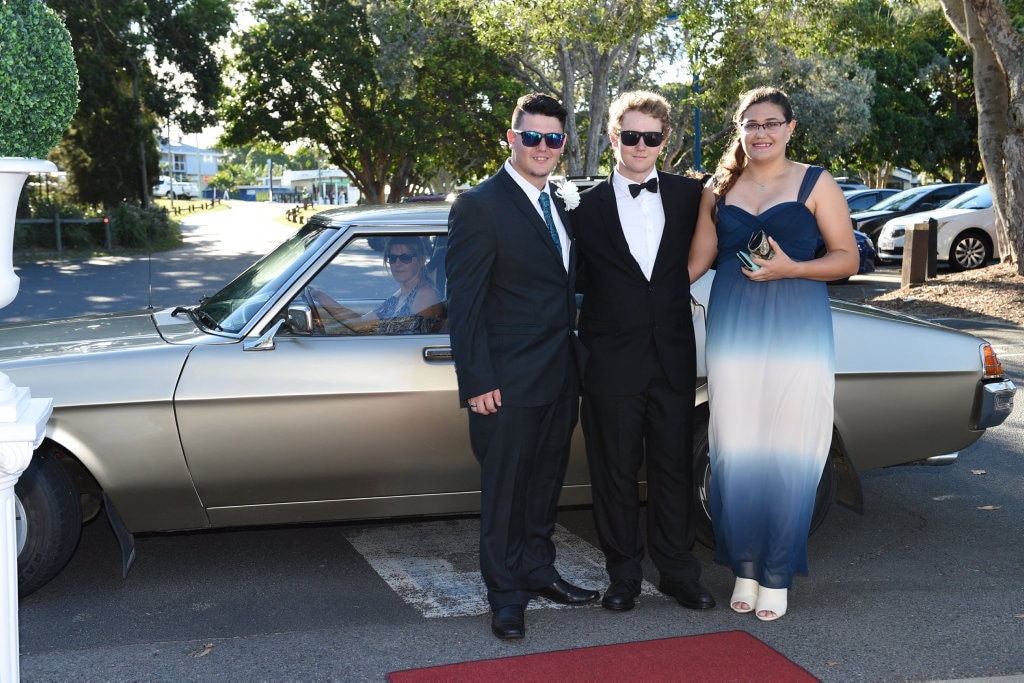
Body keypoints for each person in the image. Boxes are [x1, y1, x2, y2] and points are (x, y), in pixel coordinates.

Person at [688, 86, 859, 621]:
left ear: (789, 128)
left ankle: (778, 571)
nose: (760, 132)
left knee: (791, 443)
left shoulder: (816, 181)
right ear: (738, 129)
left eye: (771, 123)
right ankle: (743, 565)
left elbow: (846, 258)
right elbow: (696, 261)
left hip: (797, 325)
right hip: (734, 326)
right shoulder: (717, 188)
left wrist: (794, 268)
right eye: (750, 123)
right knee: (735, 446)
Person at [445, 92, 599, 640]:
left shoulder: (557, 201)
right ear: (511, 139)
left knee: (544, 485)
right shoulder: (479, 205)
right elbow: (463, 304)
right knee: (506, 493)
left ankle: (538, 569)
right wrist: (477, 380)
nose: (542, 146)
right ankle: (505, 595)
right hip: (505, 384)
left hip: (559, 376)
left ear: (563, 144)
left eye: (552, 138)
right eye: (531, 136)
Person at [573, 90, 714, 613]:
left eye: (650, 137)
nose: (640, 145)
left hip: (673, 357)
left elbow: (712, 246)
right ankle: (623, 576)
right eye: (630, 136)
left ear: (664, 141)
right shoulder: (581, 206)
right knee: (613, 472)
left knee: (674, 467)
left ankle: (679, 572)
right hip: (610, 361)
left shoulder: (689, 195)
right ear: (614, 138)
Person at [310, 235, 444, 334]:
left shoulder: (426, 294)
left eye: (405, 258)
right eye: (392, 258)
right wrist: (322, 297)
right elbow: (362, 324)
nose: (398, 264)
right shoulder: (402, 294)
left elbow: (408, 340)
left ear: (421, 261)